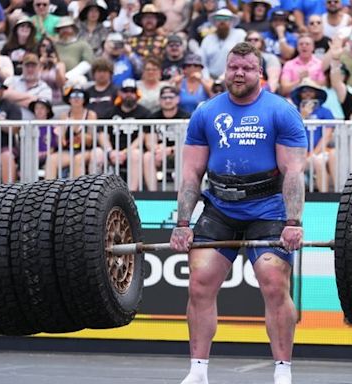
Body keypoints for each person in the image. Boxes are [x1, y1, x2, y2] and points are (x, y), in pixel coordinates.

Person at [170, 42, 307, 384]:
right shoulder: (205, 112)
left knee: (274, 284)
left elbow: (292, 172)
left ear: (260, 72)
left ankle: (282, 372)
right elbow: (191, 174)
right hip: (220, 207)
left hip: (268, 208)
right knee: (200, 285)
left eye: (247, 68)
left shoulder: (281, 111)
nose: (239, 73)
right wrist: (183, 223)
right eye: (234, 67)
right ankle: (198, 371)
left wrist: (293, 222)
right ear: (225, 70)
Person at [92, 78, 151, 190]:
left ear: (137, 93)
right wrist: (110, 152)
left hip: (132, 151)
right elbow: (102, 133)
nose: (129, 94)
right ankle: (95, 193)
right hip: (111, 151)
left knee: (136, 154)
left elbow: (142, 136)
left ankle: (132, 194)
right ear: (120, 93)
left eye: (132, 91)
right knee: (97, 152)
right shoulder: (109, 112)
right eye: (125, 91)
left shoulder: (144, 113)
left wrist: (125, 152)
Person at [44, 85, 98, 179]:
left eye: (80, 96)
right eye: (73, 96)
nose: (76, 99)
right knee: (51, 159)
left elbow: (91, 140)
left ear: (84, 99)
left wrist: (76, 129)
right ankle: (49, 191)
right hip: (68, 150)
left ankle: (76, 192)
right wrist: (61, 136)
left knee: (78, 159)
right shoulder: (64, 116)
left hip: (86, 150)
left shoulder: (90, 115)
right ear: (69, 100)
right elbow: (61, 141)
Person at [143, 85, 190, 191]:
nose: (167, 100)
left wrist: (170, 150)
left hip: (179, 152)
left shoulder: (186, 117)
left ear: (177, 99)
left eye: (171, 97)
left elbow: (188, 142)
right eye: (164, 97)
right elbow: (149, 142)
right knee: (147, 156)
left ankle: (181, 193)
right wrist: (157, 150)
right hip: (159, 154)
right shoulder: (153, 118)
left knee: (184, 153)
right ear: (159, 100)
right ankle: (152, 194)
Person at [200, 8, 246, 79]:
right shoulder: (207, 39)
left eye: (225, 19)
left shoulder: (240, 34)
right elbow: (202, 62)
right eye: (219, 19)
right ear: (215, 22)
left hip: (234, 77)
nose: (222, 22)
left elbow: (242, 58)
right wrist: (207, 79)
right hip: (210, 79)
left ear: (231, 22)